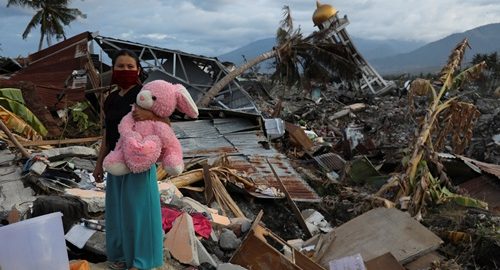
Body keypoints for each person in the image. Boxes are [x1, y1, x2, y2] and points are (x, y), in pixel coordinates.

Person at [93, 49, 165, 270]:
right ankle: (122, 256)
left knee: (139, 212)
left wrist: (150, 115)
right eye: (120, 67)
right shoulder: (111, 98)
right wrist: (99, 163)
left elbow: (166, 124)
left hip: (139, 162)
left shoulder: (145, 94)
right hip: (116, 162)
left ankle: (142, 261)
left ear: (138, 70)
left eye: (130, 67)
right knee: (117, 212)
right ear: (113, 70)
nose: (125, 71)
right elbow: (107, 134)